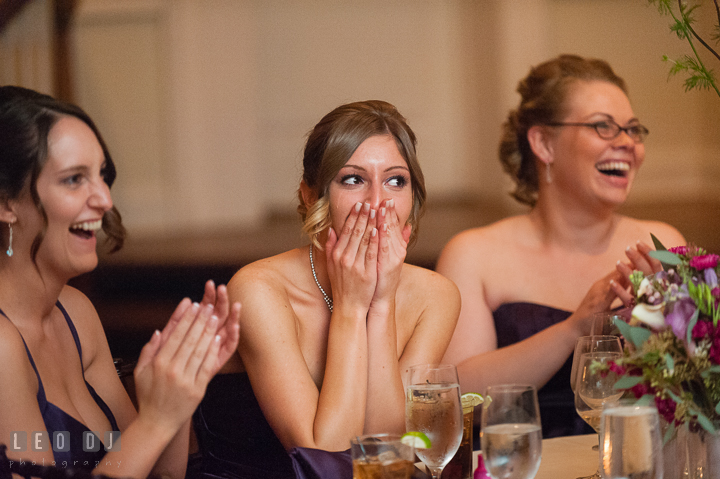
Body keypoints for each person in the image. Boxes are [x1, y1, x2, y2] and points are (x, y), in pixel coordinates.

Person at [191, 100, 460, 478]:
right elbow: (325, 460)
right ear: (310, 195)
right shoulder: (258, 290)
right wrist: (351, 306)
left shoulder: (436, 295)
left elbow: (385, 452)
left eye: (395, 180)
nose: (378, 203)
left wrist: (380, 303)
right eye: (353, 179)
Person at [436, 55, 686, 438]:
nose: (627, 144)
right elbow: (458, 400)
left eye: (633, 130)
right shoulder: (474, 254)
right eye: (603, 126)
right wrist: (574, 329)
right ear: (543, 143)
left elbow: (688, 397)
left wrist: (662, 334)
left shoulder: (662, 245)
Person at [0, 86, 241, 478]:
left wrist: (176, 399)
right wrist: (155, 423)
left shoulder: (76, 311)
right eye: (75, 179)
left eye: (102, 176)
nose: (104, 199)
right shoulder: (2, 345)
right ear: (6, 203)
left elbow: (159, 474)